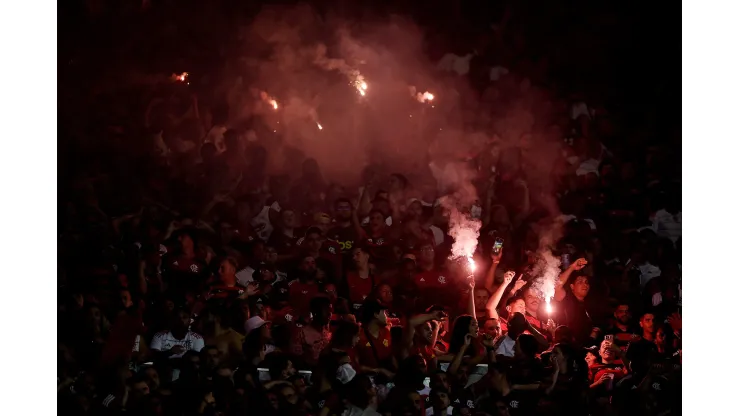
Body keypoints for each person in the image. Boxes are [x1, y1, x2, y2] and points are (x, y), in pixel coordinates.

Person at [355, 299, 396, 378]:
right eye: (384, 312)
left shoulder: (386, 332)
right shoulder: (358, 336)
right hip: (369, 381)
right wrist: (378, 370)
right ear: (376, 314)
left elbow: (391, 356)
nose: (386, 316)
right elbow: (354, 366)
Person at [290, 296, 333, 367]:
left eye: (330, 310)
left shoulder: (329, 333)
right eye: (326, 310)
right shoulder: (301, 333)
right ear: (315, 312)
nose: (329, 314)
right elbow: (296, 359)